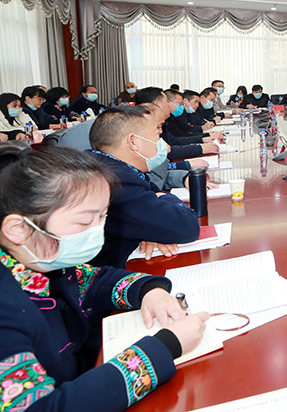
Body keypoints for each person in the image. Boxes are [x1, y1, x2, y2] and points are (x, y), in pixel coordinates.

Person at [0, 146, 210, 412]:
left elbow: (94, 281)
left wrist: (148, 290)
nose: (96, 231)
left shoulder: (39, 264)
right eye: (84, 222)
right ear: (18, 229)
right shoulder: (6, 309)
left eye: (103, 217)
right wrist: (164, 349)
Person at [87, 106, 201, 268]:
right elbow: (187, 227)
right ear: (133, 142)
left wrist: (150, 230)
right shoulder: (118, 182)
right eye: (157, 135)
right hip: (111, 274)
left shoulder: (103, 165)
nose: (161, 142)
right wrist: (164, 199)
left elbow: (152, 191)